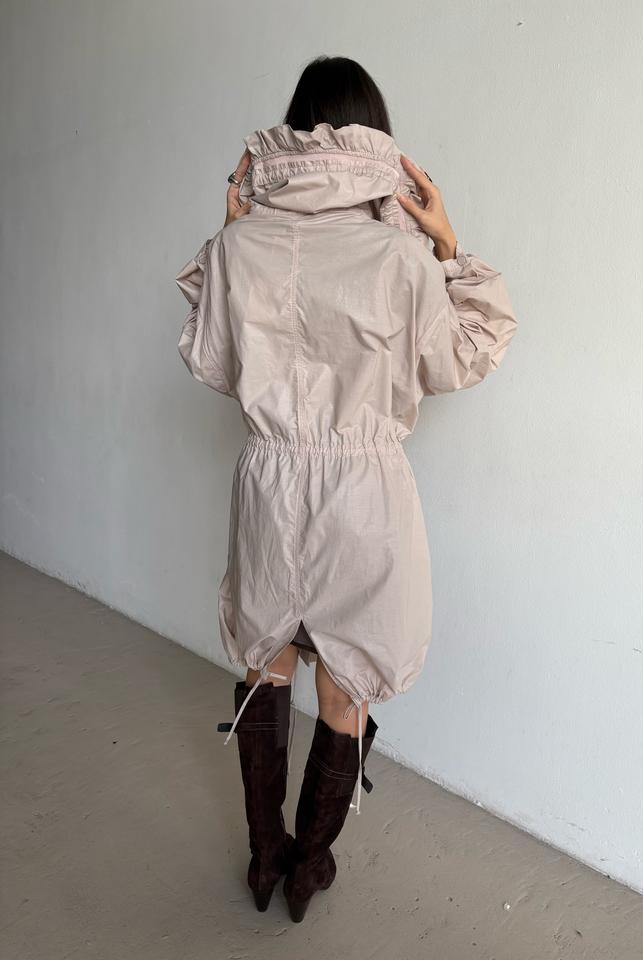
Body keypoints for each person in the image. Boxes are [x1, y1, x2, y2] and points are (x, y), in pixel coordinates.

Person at [175, 55, 517, 923]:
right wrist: (448, 245)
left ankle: (265, 855)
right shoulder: (402, 257)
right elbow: (466, 355)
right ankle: (307, 865)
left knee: (266, 662)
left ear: (295, 131)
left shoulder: (242, 248)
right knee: (346, 681)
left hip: (268, 484)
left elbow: (212, 364)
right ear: (375, 139)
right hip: (365, 496)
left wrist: (231, 235)